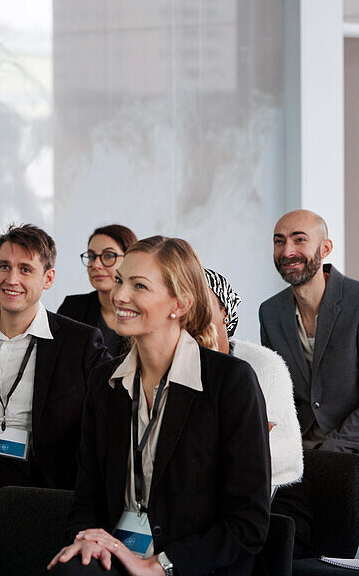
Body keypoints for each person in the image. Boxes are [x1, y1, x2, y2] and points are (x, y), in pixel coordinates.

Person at [49, 236, 271, 576]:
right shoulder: (104, 382)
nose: (119, 295)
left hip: (190, 564)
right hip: (116, 553)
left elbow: (248, 523)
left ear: (179, 304)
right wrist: (87, 537)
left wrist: (160, 565)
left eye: (139, 285)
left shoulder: (231, 381)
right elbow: (86, 497)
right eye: (120, 281)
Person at [0, 223, 110, 539]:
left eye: (25, 269)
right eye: (4, 266)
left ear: (48, 279)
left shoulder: (79, 342)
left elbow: (110, 415)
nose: (11, 279)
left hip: (36, 479)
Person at [259, 210, 359, 504]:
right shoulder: (270, 312)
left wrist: (327, 452)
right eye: (279, 242)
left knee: (300, 496)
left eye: (299, 240)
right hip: (299, 450)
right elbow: (277, 397)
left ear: (325, 249)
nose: (287, 251)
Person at [203, 269, 303, 491]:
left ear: (225, 312)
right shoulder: (180, 364)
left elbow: (247, 444)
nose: (194, 314)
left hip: (274, 487)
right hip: (209, 485)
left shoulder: (264, 365)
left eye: (203, 303)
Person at [59, 224, 138, 356]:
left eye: (108, 256)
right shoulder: (73, 308)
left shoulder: (144, 309)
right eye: (91, 256)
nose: (96, 265)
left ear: (130, 260)